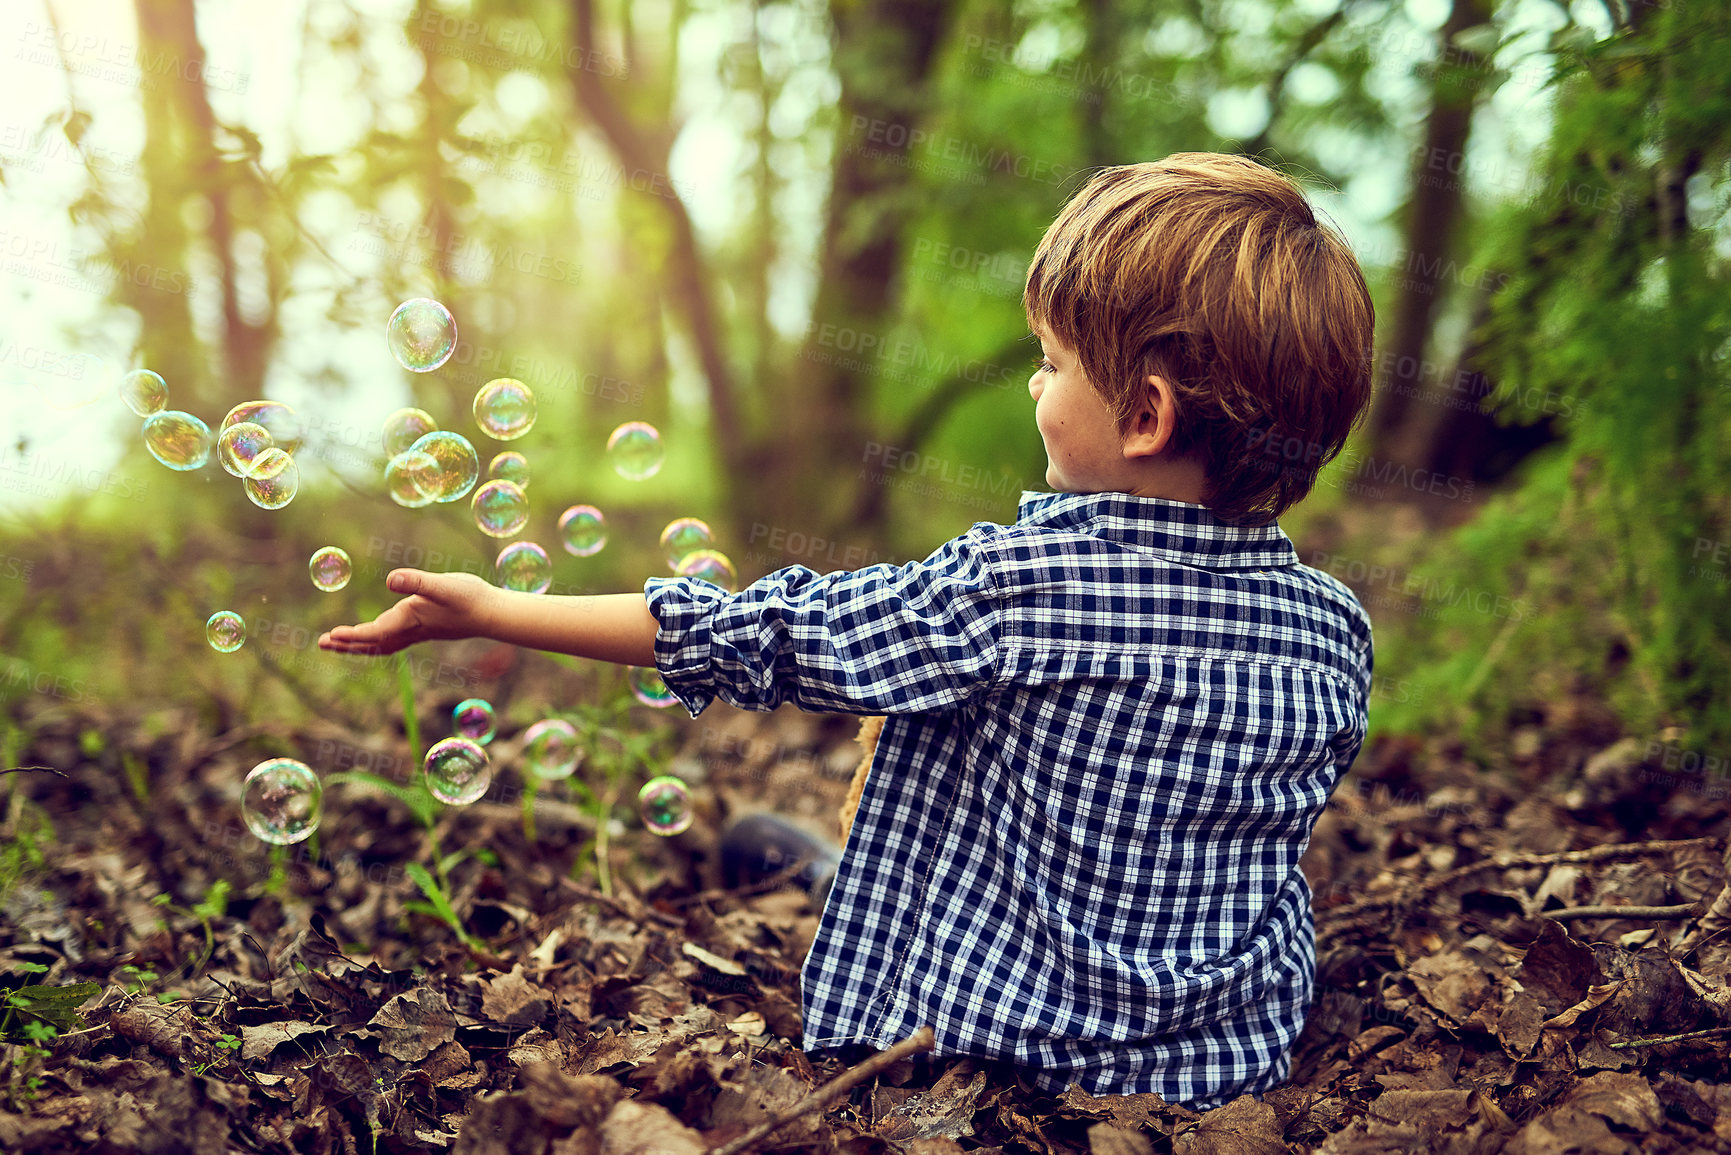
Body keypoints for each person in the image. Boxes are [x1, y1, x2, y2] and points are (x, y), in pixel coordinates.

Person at [318, 152, 1375, 1109]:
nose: (1034, 380)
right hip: (1217, 1067)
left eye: (1052, 364)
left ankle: (830, 874)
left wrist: (497, 608)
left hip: (998, 1047)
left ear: (1143, 418)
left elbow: (770, 633)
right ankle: (830, 870)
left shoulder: (1023, 585)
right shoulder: (1337, 629)